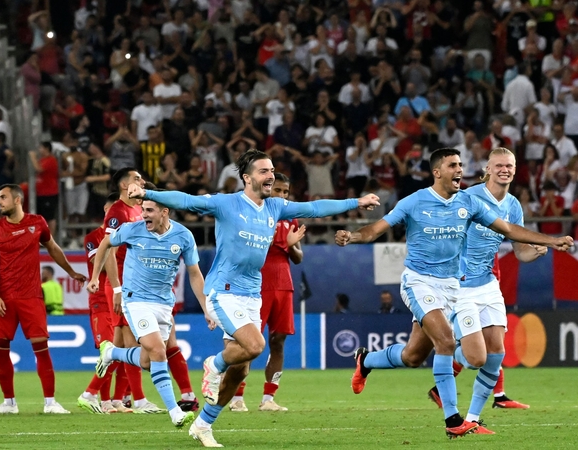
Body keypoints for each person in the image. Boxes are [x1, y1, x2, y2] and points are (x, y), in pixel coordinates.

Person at [126, 149, 380, 447]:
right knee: (256, 345)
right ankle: (214, 364)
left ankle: (204, 424)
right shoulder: (227, 203)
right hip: (224, 291)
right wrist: (143, 193)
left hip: (251, 294)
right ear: (247, 178)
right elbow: (186, 200)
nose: (270, 175)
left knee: (243, 368)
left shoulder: (274, 207)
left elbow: (313, 207)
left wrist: (356, 202)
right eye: (263, 171)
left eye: (271, 170)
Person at [335, 148, 573, 438]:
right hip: (419, 281)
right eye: (453, 165)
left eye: (461, 164)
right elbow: (376, 229)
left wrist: (550, 241)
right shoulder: (415, 201)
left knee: (412, 355)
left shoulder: (467, 203)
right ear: (437, 172)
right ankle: (454, 422)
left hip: (451, 286)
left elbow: (508, 229)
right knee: (447, 342)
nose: (460, 169)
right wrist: (354, 235)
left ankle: (366, 360)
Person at [426, 147, 541, 424]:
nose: (505, 169)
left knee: (496, 355)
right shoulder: (467, 197)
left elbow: (520, 251)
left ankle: (473, 420)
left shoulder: (513, 206)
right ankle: (445, 354)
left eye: (510, 165)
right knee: (475, 358)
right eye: (499, 165)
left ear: (515, 170)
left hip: (489, 286)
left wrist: (534, 251)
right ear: (487, 169)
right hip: (461, 287)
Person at [89, 191, 212, 428]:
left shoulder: (183, 236)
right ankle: (175, 412)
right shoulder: (132, 229)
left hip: (164, 304)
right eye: (142, 210)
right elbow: (105, 243)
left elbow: (195, 274)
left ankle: (112, 353)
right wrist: (96, 276)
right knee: (157, 351)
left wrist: (206, 308)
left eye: (149, 211)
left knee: (147, 361)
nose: (143, 215)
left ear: (165, 212)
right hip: (136, 300)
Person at [0, 184, 86, 415]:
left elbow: (53, 248)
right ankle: (9, 403)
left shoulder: (37, 222)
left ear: (17, 200)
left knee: (41, 348)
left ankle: (51, 402)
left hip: (31, 296)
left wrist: (71, 272)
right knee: (1, 349)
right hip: (5, 299)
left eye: (3, 197)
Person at [230, 173, 305, 412]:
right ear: (268, 190)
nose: (282, 196)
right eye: (278, 191)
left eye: (286, 192)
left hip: (283, 284)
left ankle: (268, 399)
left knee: (278, 341)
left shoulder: (290, 219)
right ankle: (236, 397)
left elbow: (298, 258)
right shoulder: (254, 215)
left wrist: (292, 245)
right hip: (257, 284)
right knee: (250, 343)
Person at [101, 167, 164, 414]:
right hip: (122, 286)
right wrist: (117, 288)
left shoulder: (138, 209)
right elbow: (108, 250)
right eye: (137, 178)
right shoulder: (117, 212)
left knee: (119, 345)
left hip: (135, 284)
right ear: (125, 185)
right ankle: (137, 400)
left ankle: (106, 397)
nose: (142, 180)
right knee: (130, 343)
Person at [77, 194, 123, 414]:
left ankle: (118, 400)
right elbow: (99, 262)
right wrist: (114, 248)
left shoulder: (129, 233)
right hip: (101, 302)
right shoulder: (93, 237)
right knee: (109, 351)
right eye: (112, 209)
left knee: (125, 350)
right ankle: (102, 400)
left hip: (122, 298)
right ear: (106, 210)